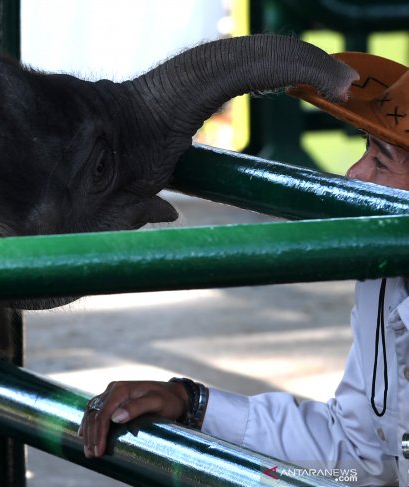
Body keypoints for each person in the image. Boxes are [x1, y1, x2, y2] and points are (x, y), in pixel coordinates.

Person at [78, 51, 409, 486]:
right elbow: (363, 458)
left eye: (381, 161)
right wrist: (193, 405)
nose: (353, 174)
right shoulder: (385, 271)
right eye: (365, 149)